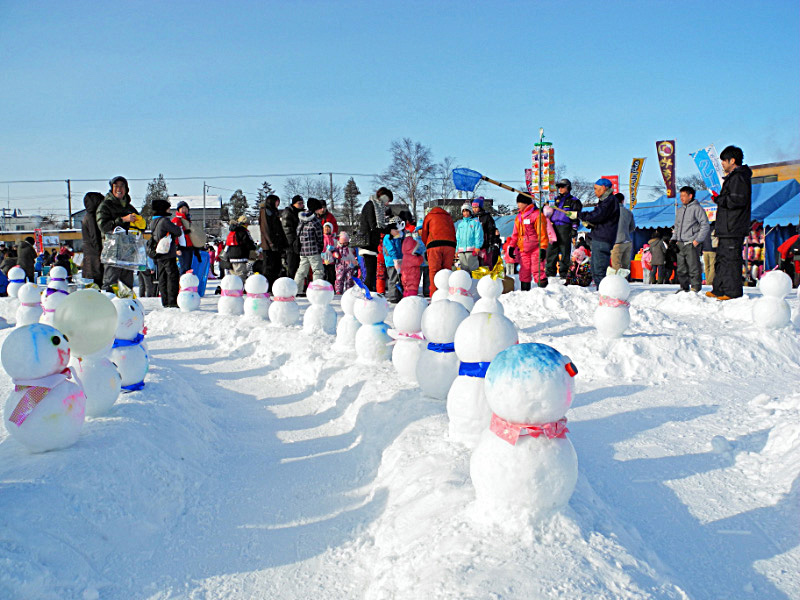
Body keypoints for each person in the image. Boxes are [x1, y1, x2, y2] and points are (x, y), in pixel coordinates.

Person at [708, 145, 752, 300]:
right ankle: (719, 289)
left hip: (733, 227)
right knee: (721, 258)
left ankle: (732, 292)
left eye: (724, 162)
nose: (723, 165)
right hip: (726, 227)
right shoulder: (733, 178)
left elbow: (737, 200)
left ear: (732, 160)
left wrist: (718, 199)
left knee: (731, 260)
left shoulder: (739, 177)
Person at [567, 178, 620, 286]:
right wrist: (590, 223)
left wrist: (579, 215)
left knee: (599, 269)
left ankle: (603, 294)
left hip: (603, 239)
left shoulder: (609, 201)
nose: (595, 192)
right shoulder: (604, 201)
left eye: (596, 189)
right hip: (599, 236)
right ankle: (600, 292)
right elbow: (600, 217)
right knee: (595, 268)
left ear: (604, 188)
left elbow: (598, 215)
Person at [96, 176, 140, 291]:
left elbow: (140, 227)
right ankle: (108, 308)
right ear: (111, 189)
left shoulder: (130, 207)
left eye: (122, 186)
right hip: (112, 252)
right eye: (116, 186)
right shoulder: (105, 206)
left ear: (126, 189)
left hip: (128, 252)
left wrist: (141, 225)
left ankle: (125, 308)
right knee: (110, 285)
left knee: (127, 287)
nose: (119, 189)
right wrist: (123, 219)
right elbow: (104, 227)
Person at [672, 186, 710, 293]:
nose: (682, 198)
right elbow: (677, 226)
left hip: (691, 243)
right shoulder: (679, 210)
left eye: (684, 196)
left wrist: (697, 240)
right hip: (680, 243)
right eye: (681, 196)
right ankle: (684, 287)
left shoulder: (697, 209)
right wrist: (673, 240)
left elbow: (705, 225)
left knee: (694, 268)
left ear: (690, 196)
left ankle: (695, 288)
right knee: (681, 269)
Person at [508, 194, 550, 290]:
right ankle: (525, 293)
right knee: (524, 271)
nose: (518, 204)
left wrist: (543, 248)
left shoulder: (537, 215)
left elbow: (542, 233)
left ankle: (543, 292)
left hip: (536, 248)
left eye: (520, 202)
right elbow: (515, 234)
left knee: (537, 269)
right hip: (523, 249)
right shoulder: (519, 217)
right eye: (517, 202)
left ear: (526, 203)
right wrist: (511, 246)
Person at [355, 188, 393, 291]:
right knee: (370, 272)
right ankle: (367, 294)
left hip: (372, 244)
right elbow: (373, 226)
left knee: (372, 272)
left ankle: (369, 292)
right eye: (388, 200)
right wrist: (389, 231)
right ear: (384, 197)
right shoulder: (371, 205)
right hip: (367, 243)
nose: (387, 203)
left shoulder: (378, 207)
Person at [545, 179, 583, 279]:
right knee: (551, 250)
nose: (560, 189)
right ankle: (550, 273)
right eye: (559, 187)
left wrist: (574, 228)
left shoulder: (574, 201)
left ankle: (564, 273)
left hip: (565, 227)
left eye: (563, 186)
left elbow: (576, 216)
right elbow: (546, 210)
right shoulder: (555, 200)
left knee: (565, 250)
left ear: (568, 187)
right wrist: (545, 205)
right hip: (553, 227)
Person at [150, 199, 182, 308]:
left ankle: (165, 301)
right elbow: (178, 231)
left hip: (158, 254)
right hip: (168, 253)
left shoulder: (153, 221)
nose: (169, 209)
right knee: (172, 276)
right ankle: (172, 301)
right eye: (168, 207)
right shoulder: (164, 221)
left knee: (162, 278)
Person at [421, 205, 456, 294]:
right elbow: (453, 231)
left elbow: (424, 233)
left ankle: (434, 294)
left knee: (434, 271)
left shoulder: (429, 216)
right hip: (450, 245)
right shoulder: (448, 216)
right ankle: (447, 294)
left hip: (434, 244)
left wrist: (427, 245)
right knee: (447, 270)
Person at [294, 197, 325, 292]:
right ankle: (317, 291)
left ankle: (296, 290)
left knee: (301, 271)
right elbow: (319, 235)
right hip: (313, 249)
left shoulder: (302, 219)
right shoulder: (315, 220)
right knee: (318, 270)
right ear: (316, 209)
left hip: (303, 250)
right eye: (320, 208)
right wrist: (320, 246)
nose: (321, 210)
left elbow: (298, 232)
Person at [258, 194, 289, 288]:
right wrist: (271, 243)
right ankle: (267, 287)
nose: (278, 204)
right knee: (269, 268)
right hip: (269, 246)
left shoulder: (273, 212)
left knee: (276, 267)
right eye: (277, 202)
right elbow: (266, 228)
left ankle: (273, 286)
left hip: (276, 244)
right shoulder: (265, 211)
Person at [81, 191, 105, 286]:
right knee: (98, 284)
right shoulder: (92, 217)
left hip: (91, 255)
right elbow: (95, 236)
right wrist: (101, 252)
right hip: (95, 255)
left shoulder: (87, 215)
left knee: (95, 284)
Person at [455, 203, 484, 273]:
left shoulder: (475, 222)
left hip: (471, 249)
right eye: (464, 211)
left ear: (470, 211)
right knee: (464, 269)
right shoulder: (461, 224)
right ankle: (466, 283)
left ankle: (475, 282)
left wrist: (477, 246)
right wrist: (457, 250)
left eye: (467, 211)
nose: (465, 213)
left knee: (473, 268)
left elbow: (478, 235)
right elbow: (458, 238)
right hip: (462, 250)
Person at [611, 193, 636, 273]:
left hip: (616, 242)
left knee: (616, 265)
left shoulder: (611, 212)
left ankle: (618, 284)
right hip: (627, 241)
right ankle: (624, 283)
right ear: (622, 201)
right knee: (625, 266)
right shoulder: (628, 212)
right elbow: (632, 227)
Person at [172, 200, 198, 275]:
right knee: (184, 268)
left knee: (189, 269)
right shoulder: (176, 220)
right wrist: (177, 248)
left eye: (186, 208)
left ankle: (188, 285)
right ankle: (182, 285)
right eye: (182, 208)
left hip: (189, 247)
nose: (184, 210)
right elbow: (174, 235)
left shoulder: (188, 221)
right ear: (178, 210)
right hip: (182, 248)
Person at [470, 197, 498, 267]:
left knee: (485, 262)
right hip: (473, 245)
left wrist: (490, 242)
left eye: (476, 207)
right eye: (473, 207)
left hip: (484, 244)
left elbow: (491, 230)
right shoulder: (472, 218)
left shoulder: (486, 217)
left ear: (480, 207)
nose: (474, 209)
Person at [282, 195, 304, 279]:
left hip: (299, 243)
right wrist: (293, 241)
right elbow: (287, 229)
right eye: (299, 203)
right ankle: (290, 281)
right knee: (292, 265)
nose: (301, 205)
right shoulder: (288, 212)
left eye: (302, 203)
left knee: (299, 266)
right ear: (294, 204)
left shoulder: (301, 213)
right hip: (291, 244)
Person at [382, 220, 404, 303]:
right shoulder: (387, 237)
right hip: (392, 262)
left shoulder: (398, 237)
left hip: (399, 260)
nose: (398, 231)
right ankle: (393, 296)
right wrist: (395, 260)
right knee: (393, 279)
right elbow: (391, 250)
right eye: (396, 230)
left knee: (399, 279)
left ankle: (399, 295)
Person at [401, 223, 425, 297]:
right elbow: (419, 261)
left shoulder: (405, 256)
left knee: (406, 291)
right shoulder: (413, 258)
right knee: (412, 294)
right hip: (413, 281)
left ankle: (405, 298)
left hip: (405, 280)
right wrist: (420, 256)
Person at [702, 223, 717, 287]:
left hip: (705, 250)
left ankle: (707, 280)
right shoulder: (715, 230)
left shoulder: (705, 229)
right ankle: (710, 282)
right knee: (712, 267)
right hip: (712, 250)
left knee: (706, 266)